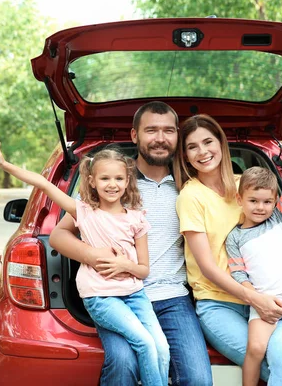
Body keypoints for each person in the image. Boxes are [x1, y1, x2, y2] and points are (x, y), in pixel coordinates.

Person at [50, 101, 213, 386]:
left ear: (177, 136)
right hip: (116, 295)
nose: (160, 138)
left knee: (198, 378)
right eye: (151, 130)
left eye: (168, 131)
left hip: (173, 297)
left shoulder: (190, 186)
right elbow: (58, 235)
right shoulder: (113, 183)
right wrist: (92, 254)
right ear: (135, 135)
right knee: (123, 363)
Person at [0, 136, 170, 386]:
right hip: (102, 298)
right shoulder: (83, 211)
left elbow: (143, 270)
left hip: (135, 295)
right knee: (146, 344)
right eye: (105, 178)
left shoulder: (137, 219)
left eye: (118, 178)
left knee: (162, 349)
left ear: (128, 181)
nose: (112, 185)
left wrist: (124, 265)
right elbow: (43, 184)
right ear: (92, 181)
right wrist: (5, 165)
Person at [174, 115, 282, 386]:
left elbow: (276, 234)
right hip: (219, 304)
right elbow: (207, 267)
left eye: (208, 142)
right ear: (185, 156)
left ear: (221, 143)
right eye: (192, 147)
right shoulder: (190, 197)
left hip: (268, 299)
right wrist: (254, 298)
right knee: (273, 364)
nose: (203, 152)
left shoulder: (245, 185)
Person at [226, 146, 282, 386]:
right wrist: (256, 296)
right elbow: (238, 272)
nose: (260, 207)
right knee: (255, 350)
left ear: (275, 202)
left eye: (267, 201)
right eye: (253, 200)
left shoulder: (277, 220)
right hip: (265, 302)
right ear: (239, 199)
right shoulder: (234, 237)